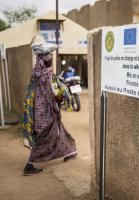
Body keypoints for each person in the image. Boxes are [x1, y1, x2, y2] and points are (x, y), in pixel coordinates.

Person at [22, 36, 77, 175]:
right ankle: (29, 166)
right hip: (45, 113)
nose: (51, 59)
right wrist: (60, 99)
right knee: (44, 138)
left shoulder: (36, 72)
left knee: (60, 131)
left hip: (39, 110)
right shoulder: (46, 75)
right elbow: (52, 94)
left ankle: (69, 152)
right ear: (45, 59)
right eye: (49, 57)